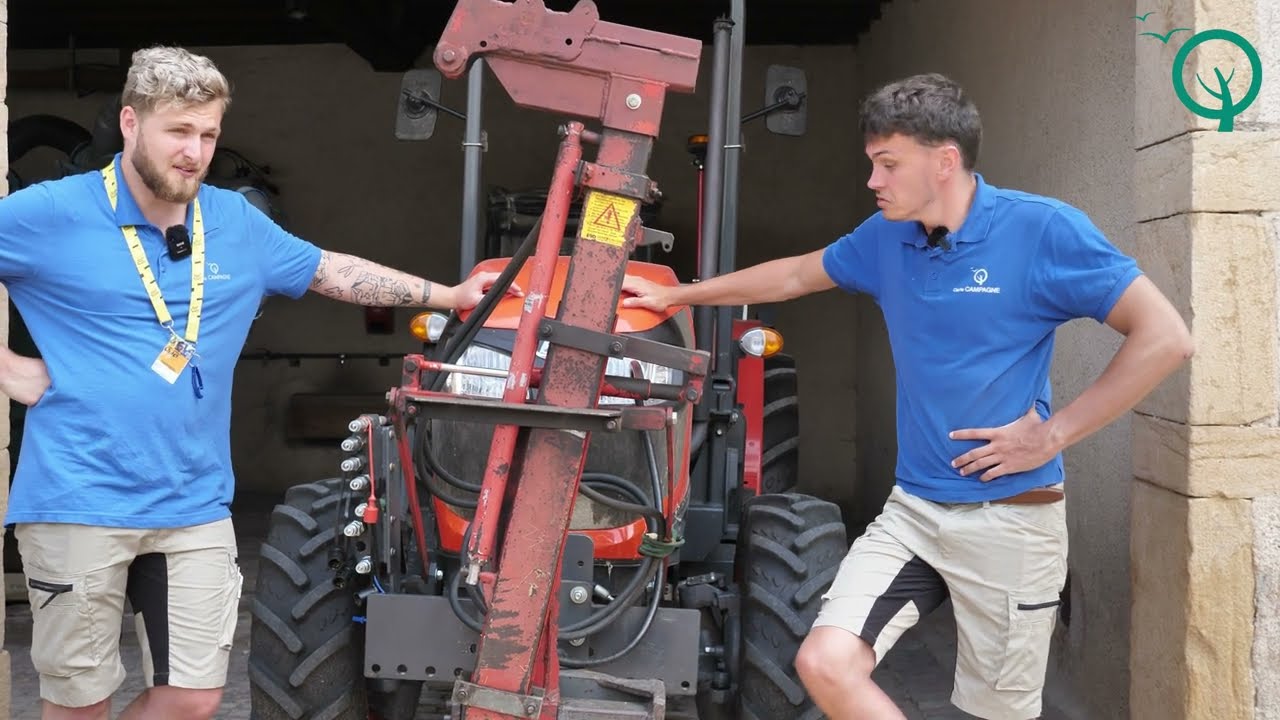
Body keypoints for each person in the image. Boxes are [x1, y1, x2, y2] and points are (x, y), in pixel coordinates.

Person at [622, 72, 1193, 720]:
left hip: (1011, 523)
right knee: (823, 664)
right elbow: (793, 275)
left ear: (944, 161)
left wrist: (1053, 433)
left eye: (888, 164)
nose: (874, 182)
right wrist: (676, 295)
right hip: (916, 511)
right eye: (873, 164)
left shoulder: (1042, 232)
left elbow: (1166, 337)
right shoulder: (885, 238)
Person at [0, 46, 519, 720]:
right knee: (79, 703)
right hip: (78, 496)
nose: (194, 151)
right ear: (130, 124)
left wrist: (448, 295)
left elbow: (330, 270)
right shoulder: (50, 213)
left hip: (194, 501)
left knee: (194, 696)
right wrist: (11, 370)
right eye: (178, 131)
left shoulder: (233, 220)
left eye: (208, 134)